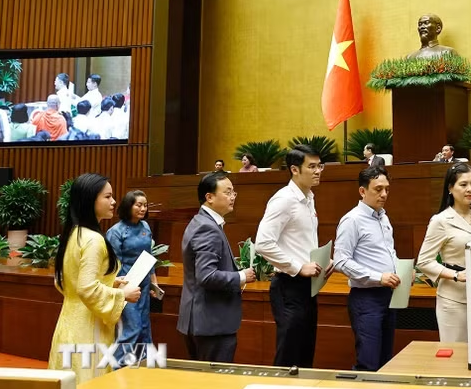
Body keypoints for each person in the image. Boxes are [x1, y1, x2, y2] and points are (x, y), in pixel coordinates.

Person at [48, 173, 141, 383]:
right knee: (88, 386)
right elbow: (86, 288)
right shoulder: (93, 240)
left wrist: (110, 283)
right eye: (107, 197)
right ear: (90, 200)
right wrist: (122, 294)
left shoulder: (74, 233)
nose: (114, 201)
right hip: (88, 330)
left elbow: (65, 281)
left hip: (68, 323)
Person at [255, 145, 329, 368]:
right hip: (289, 286)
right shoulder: (284, 199)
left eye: (320, 166)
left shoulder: (309, 197)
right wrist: (298, 267)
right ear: (295, 170)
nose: (318, 171)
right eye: (312, 167)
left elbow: (300, 242)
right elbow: (263, 243)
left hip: (308, 287)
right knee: (289, 355)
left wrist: (322, 261)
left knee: (305, 354)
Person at [176, 172, 256, 362]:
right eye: (227, 192)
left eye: (233, 192)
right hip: (211, 325)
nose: (232, 197)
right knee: (214, 380)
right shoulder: (207, 228)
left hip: (202, 322)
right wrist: (241, 276)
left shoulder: (200, 221)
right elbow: (206, 275)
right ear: (209, 197)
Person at [334, 167, 400, 371]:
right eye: (378, 189)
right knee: (368, 363)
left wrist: (401, 269)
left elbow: (388, 252)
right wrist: (378, 277)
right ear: (362, 191)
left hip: (389, 295)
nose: (384, 194)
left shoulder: (383, 217)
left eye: (387, 189)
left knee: (385, 362)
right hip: (366, 299)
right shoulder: (352, 220)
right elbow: (340, 261)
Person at [416, 162, 471, 343]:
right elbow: (424, 261)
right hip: (454, 300)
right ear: (450, 188)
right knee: (456, 353)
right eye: (463, 185)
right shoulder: (440, 220)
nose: (470, 189)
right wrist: (456, 275)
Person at [106, 190, 159, 368]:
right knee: (132, 327)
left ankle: (142, 365)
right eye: (139, 205)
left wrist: (154, 282)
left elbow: (149, 256)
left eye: (145, 205)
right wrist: (118, 287)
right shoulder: (116, 231)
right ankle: (117, 367)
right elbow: (113, 264)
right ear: (129, 206)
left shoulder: (145, 227)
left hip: (144, 284)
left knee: (144, 326)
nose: (143, 208)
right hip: (126, 285)